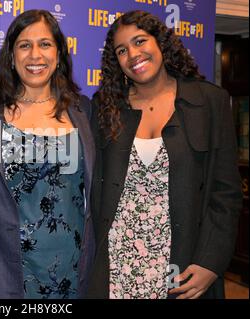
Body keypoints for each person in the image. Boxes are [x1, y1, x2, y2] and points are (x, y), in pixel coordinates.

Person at [87, 10, 242, 299]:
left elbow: (226, 193)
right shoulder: (105, 107)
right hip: (117, 265)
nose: (133, 54)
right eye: (122, 50)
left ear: (161, 44)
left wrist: (211, 261)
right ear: (116, 62)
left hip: (182, 265)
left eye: (140, 41)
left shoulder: (209, 102)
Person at [0, 9, 95, 299]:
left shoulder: (83, 112)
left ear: (59, 54)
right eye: (25, 45)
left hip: (72, 273)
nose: (35, 55)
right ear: (11, 56)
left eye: (45, 44)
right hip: (5, 273)